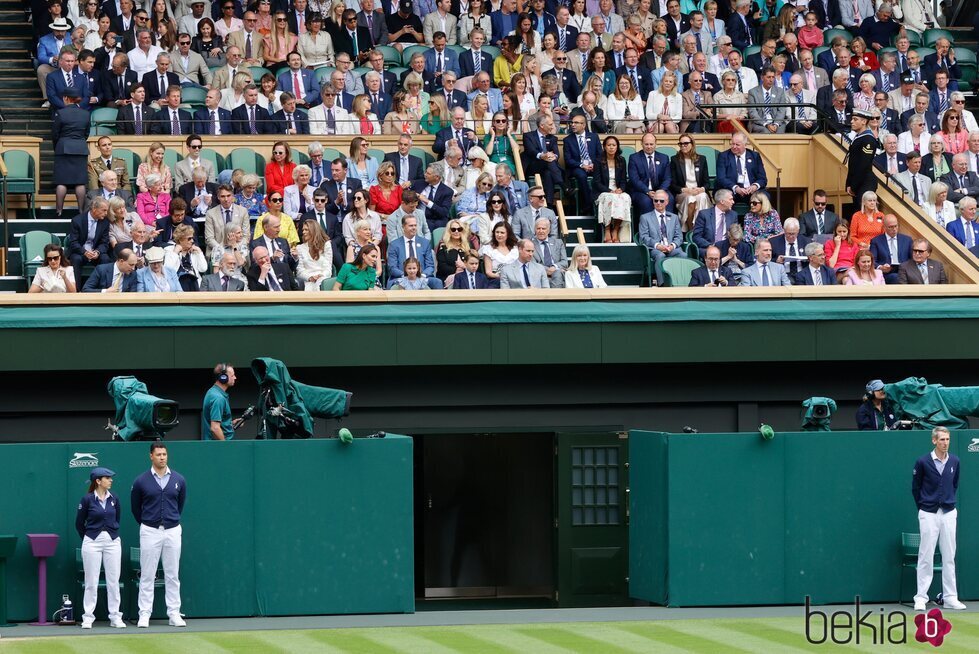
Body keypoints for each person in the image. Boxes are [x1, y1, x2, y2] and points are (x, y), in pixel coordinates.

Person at [131, 442, 187, 628]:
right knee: (147, 574)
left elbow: (180, 504)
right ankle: (144, 614)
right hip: (149, 530)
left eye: (164, 454)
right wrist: (149, 523)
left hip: (172, 530)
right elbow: (135, 508)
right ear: (151, 456)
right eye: (158, 454)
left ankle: (174, 614)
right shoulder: (141, 481)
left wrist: (170, 521)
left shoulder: (179, 479)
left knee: (172, 574)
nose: (162, 457)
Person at [912, 427, 967, 612]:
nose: (945, 442)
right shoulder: (922, 462)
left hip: (949, 512)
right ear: (934, 440)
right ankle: (921, 598)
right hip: (928, 513)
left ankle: (951, 597)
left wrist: (947, 502)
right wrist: (924, 506)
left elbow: (955, 484)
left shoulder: (955, 461)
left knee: (949, 556)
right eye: (942, 439)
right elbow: (916, 487)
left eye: (948, 439)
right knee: (925, 556)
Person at [75, 466, 125, 630]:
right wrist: (90, 538)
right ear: (98, 481)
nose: (111, 480)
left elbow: (117, 518)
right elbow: (79, 524)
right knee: (91, 581)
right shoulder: (87, 499)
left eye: (110, 478)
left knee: (113, 581)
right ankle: (88, 617)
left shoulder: (114, 498)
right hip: (92, 541)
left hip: (112, 540)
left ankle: (115, 616)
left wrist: (109, 534)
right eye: (107, 478)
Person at [52, 88, 90, 217]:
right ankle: (81, 211)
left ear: (66, 98)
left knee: (61, 182)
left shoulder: (60, 113)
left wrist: (57, 146)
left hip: (63, 148)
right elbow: (86, 134)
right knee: (80, 182)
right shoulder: (86, 114)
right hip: (80, 148)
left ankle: (59, 211)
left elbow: (55, 134)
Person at [638, 190, 685, 286]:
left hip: (671, 248)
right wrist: (658, 245)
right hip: (656, 249)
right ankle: (662, 284)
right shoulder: (645, 217)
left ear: (667, 202)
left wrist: (672, 246)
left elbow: (679, 236)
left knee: (682, 255)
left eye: (661, 201)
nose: (658, 203)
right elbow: (643, 237)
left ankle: (681, 282)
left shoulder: (674, 217)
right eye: (656, 201)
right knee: (660, 256)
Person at [594, 135, 631, 243]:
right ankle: (607, 229)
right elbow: (596, 182)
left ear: (617, 147)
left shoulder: (621, 160)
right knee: (610, 198)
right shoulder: (598, 161)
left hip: (617, 190)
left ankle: (615, 230)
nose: (611, 147)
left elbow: (624, 180)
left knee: (625, 197)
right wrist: (610, 190)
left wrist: (621, 189)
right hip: (603, 191)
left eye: (614, 145)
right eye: (609, 145)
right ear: (604, 147)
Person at [846, 109, 879, 212]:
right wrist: (848, 183)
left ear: (864, 122)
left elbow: (863, 165)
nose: (852, 122)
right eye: (852, 119)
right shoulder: (859, 137)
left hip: (865, 182)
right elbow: (853, 165)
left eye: (855, 119)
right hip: (858, 182)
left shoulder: (868, 139)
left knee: (864, 212)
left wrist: (853, 185)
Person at [869, 214, 913, 284]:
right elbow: (872, 260)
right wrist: (881, 267)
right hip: (886, 274)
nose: (894, 229)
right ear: (884, 227)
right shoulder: (876, 241)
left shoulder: (907, 240)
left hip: (905, 272)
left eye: (896, 226)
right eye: (891, 227)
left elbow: (912, 259)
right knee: (895, 277)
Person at [202, 363, 240, 440]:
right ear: (223, 377)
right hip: (217, 449)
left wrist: (230, 424)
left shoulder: (212, 392)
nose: (235, 378)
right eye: (232, 375)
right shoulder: (218, 398)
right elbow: (215, 428)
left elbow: (217, 423)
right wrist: (225, 447)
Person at [296, 219, 333, 291]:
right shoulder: (300, 248)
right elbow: (299, 270)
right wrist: (310, 277)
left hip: (323, 279)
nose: (303, 232)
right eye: (303, 230)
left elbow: (328, 268)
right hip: (307, 280)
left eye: (306, 230)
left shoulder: (326, 245)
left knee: (320, 285)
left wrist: (321, 276)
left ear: (313, 230)